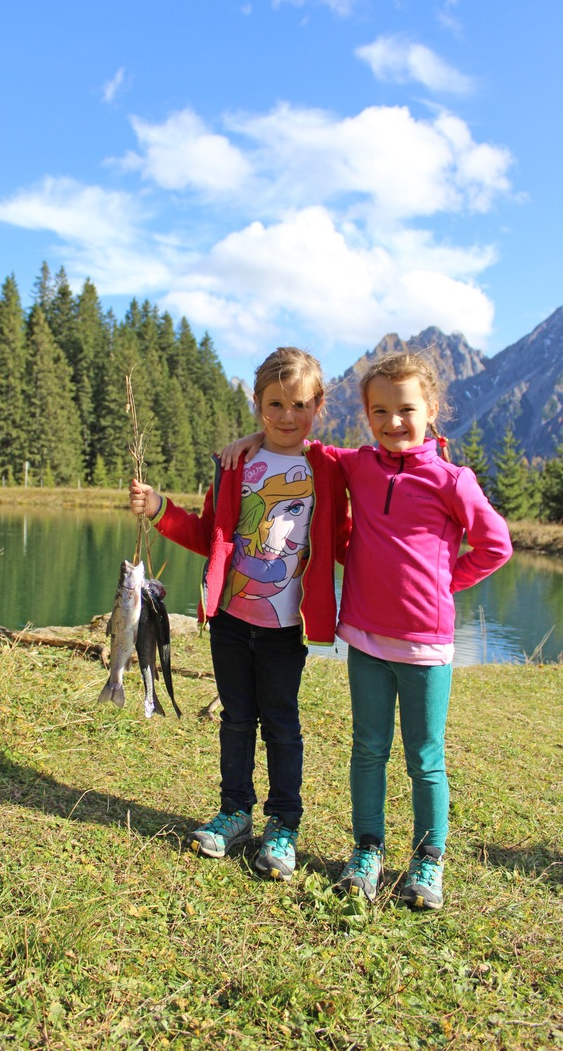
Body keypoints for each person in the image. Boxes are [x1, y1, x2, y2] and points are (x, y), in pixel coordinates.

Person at [220, 349, 512, 908]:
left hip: (427, 645)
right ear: (366, 413)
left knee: (425, 757)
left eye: (406, 410)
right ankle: (368, 849)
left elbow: (496, 545)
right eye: (379, 411)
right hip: (366, 640)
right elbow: (300, 443)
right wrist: (249, 443)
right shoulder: (358, 465)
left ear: (431, 410)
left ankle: (428, 862)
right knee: (368, 750)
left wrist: (445, 583)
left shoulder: (454, 481)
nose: (393, 422)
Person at [129, 347, 351, 881]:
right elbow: (211, 536)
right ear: (257, 403)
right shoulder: (236, 465)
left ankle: (283, 826)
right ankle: (234, 813)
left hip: (286, 628)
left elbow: (347, 537)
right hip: (229, 620)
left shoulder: (328, 467)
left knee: (282, 724)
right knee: (235, 719)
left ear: (318, 405)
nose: (286, 416)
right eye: (274, 404)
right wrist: (160, 509)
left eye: (299, 404)